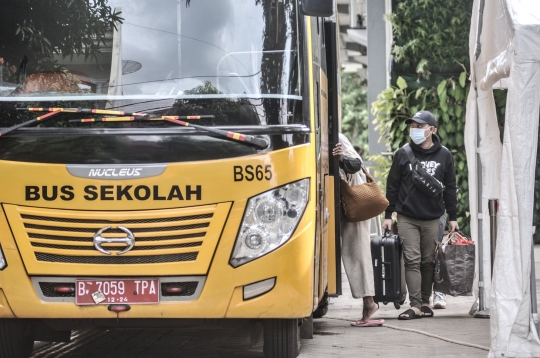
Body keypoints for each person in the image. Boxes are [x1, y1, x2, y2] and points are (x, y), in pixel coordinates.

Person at [382, 111, 458, 320]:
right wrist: (388, 215)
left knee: (428, 261)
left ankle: (426, 302)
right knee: (412, 260)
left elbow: (450, 188)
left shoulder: (444, 155)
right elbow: (393, 186)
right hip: (407, 216)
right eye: (412, 126)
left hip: (433, 217)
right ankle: (415, 305)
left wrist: (453, 216)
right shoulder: (402, 154)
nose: (415, 130)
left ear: (432, 130)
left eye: (420, 126)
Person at [333, 133, 382, 327]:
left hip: (354, 203)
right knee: (353, 251)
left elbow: (355, 163)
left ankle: (369, 303)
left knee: (357, 251)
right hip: (346, 204)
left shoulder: (337, 136)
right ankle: (368, 303)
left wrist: (342, 158)